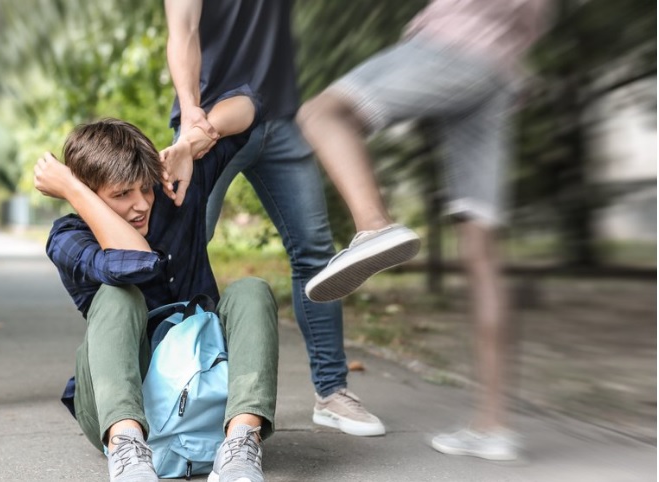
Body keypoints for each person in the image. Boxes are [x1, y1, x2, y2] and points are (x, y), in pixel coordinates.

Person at [297, 0, 548, 460]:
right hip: (499, 71)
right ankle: (493, 427)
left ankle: (375, 226)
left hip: (452, 41)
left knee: (322, 114)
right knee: (483, 254)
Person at [163, 0, 385, 438]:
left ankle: (332, 391)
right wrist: (190, 110)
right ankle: (176, 389)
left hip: (279, 118)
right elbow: (182, 30)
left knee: (315, 253)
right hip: (208, 123)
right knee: (180, 254)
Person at [35, 92, 278, 482]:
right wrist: (74, 191)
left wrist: (189, 143)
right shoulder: (68, 237)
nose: (142, 204)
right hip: (121, 405)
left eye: (144, 188)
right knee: (118, 294)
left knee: (251, 289)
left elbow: (253, 107)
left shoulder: (173, 190)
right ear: (87, 196)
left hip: (205, 382)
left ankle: (240, 447)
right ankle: (128, 452)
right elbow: (136, 260)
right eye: (121, 195)